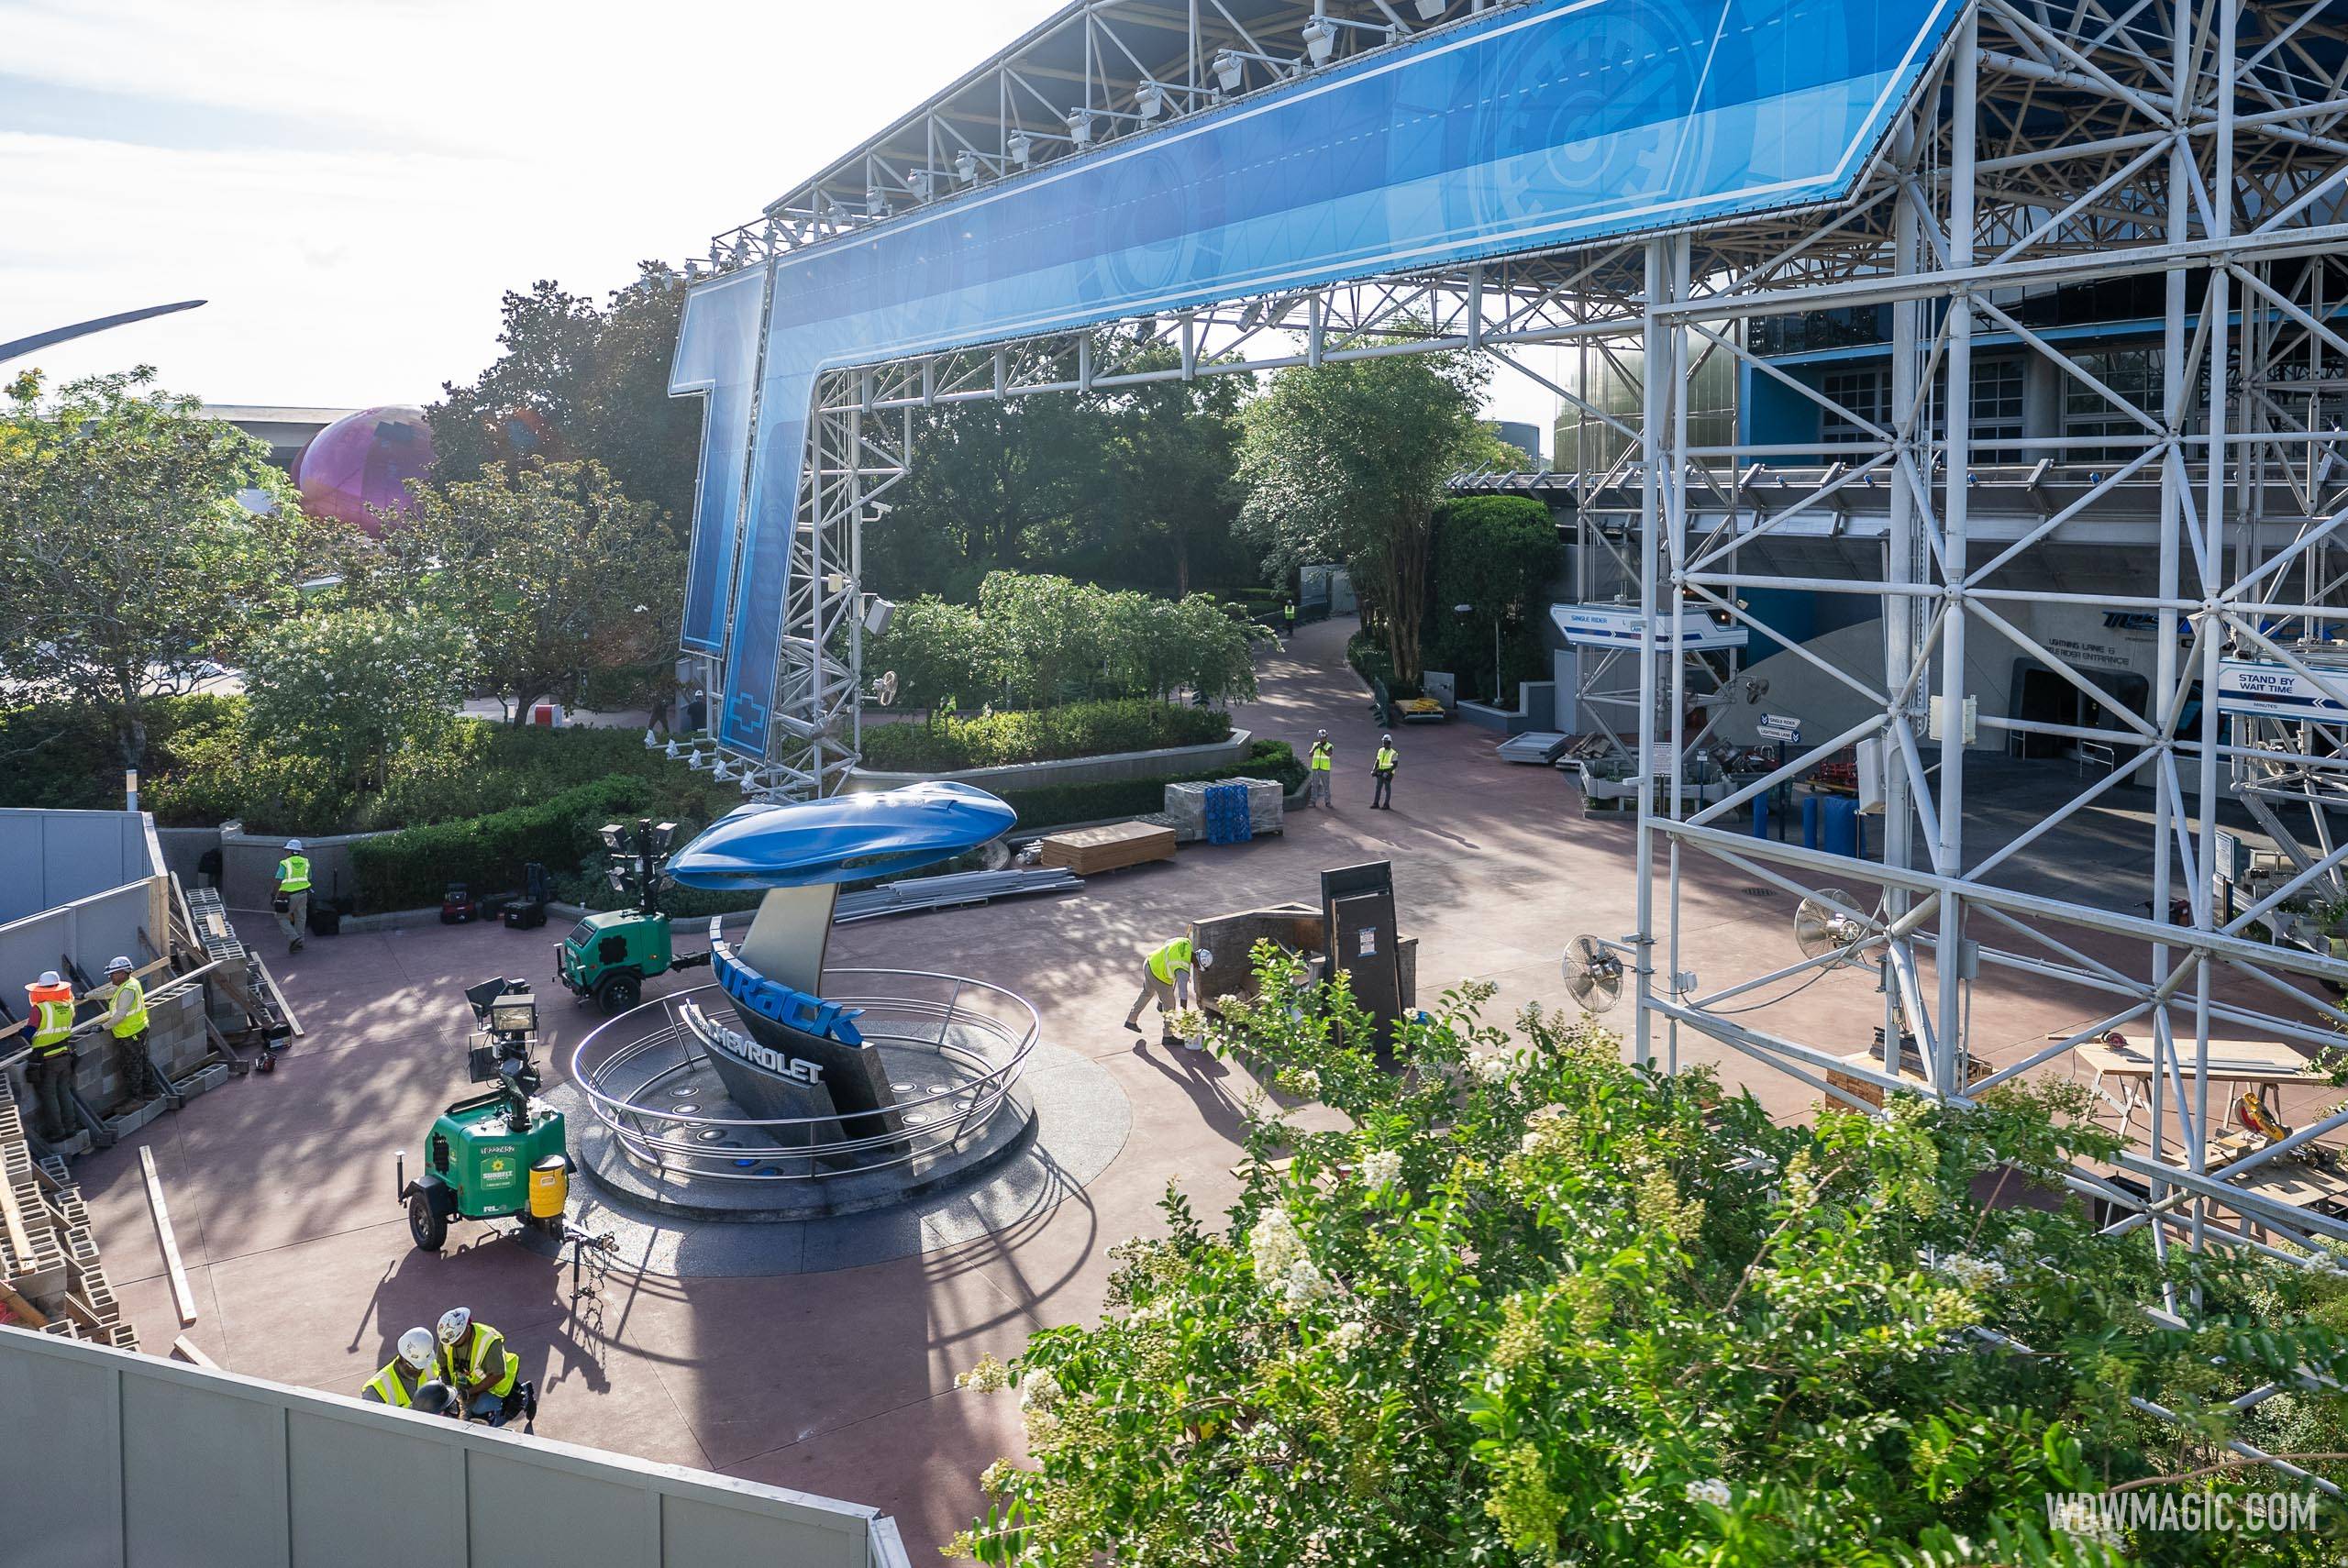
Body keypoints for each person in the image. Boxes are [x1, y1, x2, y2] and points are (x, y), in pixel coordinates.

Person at [437, 1307, 532, 1424]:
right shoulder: (448, 1340)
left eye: (456, 1341)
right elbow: (443, 1367)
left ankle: (521, 1398)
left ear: (466, 1329)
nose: (452, 1345)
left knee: (480, 1411)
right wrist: (449, 1392)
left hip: (495, 1384)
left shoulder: (488, 1341)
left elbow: (498, 1375)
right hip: (467, 1382)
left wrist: (470, 1393)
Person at [1123, 937, 1212, 1047]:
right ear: (1198, 961)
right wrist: (1184, 1013)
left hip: (1150, 963)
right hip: (1158, 975)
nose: (1197, 968)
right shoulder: (1183, 969)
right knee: (1170, 1004)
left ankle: (1131, 1020)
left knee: (1147, 992)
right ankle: (1168, 1036)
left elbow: (1167, 943)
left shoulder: (1185, 942)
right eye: (1199, 966)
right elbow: (1183, 994)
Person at [98, 955, 164, 1103]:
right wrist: (86, 995)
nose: (111, 977)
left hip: (130, 1034)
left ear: (123, 973)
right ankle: (152, 1092)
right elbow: (109, 993)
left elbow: (120, 1015)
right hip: (137, 1029)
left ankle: (136, 1100)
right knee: (142, 1062)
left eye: (113, 974)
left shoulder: (127, 990)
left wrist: (103, 1027)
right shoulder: (129, 984)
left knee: (132, 1067)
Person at [21, 971, 78, 1143]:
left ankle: (57, 1132)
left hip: (46, 1059)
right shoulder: (68, 1006)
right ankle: (71, 1128)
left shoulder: (39, 1009)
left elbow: (29, 1033)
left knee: (49, 1096)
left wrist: (21, 1033)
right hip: (65, 1056)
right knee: (64, 1092)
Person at [360, 1327, 438, 1408]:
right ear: (402, 1356)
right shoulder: (375, 1389)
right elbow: (369, 1419)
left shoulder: (431, 1366)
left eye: (422, 1365)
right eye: (412, 1365)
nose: (418, 1369)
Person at [273, 840, 310, 953]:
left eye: (286, 850)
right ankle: (300, 942)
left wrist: (275, 894)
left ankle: (295, 939)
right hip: (304, 893)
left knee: (281, 917)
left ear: (291, 851)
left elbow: (278, 880)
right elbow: (309, 877)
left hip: (289, 896)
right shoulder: (306, 862)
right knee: (301, 918)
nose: (285, 852)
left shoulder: (285, 863)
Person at [1307, 730, 1335, 808]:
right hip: (1315, 769)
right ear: (1318, 737)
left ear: (1326, 737)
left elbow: (1329, 754)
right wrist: (1314, 748)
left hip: (1325, 769)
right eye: (1321, 738)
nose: (1322, 739)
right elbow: (1310, 754)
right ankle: (1312, 802)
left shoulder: (1329, 745)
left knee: (1326, 786)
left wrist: (1322, 748)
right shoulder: (1315, 744)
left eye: (1324, 738)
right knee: (1314, 786)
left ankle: (1328, 802)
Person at [1372, 734, 1398, 810]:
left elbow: (1395, 765)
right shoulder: (1380, 750)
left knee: (1387, 788)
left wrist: (1388, 773)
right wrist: (1374, 770)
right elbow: (1377, 761)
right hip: (1380, 771)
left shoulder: (1394, 753)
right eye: (1383, 742)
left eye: (1385, 742)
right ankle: (1376, 803)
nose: (1384, 743)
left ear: (1389, 743)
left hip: (1388, 772)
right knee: (1378, 788)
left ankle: (1386, 804)